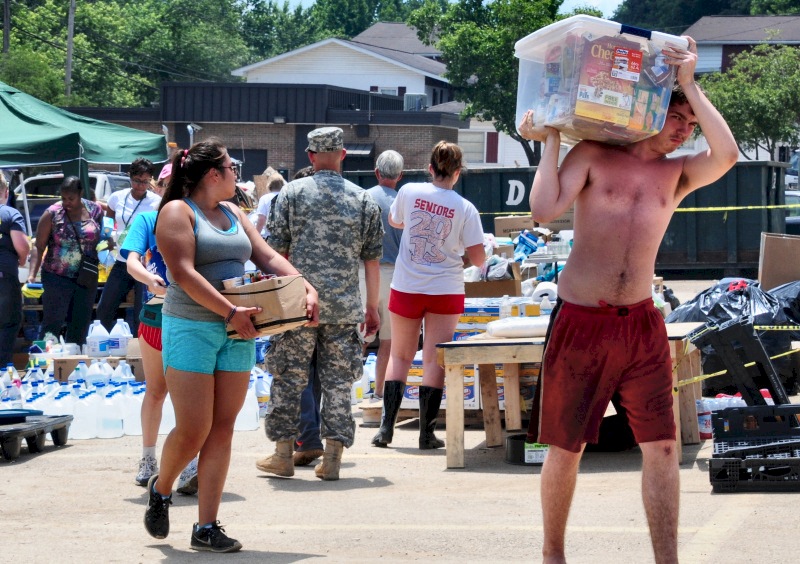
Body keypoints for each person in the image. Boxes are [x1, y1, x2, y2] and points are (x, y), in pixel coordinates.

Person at [516, 37, 738, 563]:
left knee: (663, 446)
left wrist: (689, 84)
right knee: (566, 449)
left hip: (641, 324)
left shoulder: (677, 173)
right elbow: (544, 208)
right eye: (677, 118)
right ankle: (553, 555)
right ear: (649, 109)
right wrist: (549, 138)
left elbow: (726, 153)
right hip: (581, 321)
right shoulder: (593, 154)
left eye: (691, 124)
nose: (686, 130)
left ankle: (668, 561)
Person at [143, 138, 318, 553]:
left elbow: (268, 257)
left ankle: (206, 527)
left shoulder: (235, 212)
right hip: (192, 326)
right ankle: (162, 488)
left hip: (239, 330)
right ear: (211, 174)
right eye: (231, 167)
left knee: (222, 429)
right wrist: (228, 311)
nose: (236, 173)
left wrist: (303, 286)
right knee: (193, 428)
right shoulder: (175, 212)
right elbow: (182, 273)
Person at [256, 127, 383, 481]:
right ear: (343, 155)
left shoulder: (291, 194)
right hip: (344, 309)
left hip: (296, 306)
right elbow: (371, 262)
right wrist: (372, 308)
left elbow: (274, 253)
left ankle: (283, 454)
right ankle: (332, 461)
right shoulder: (362, 199)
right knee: (339, 384)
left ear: (311, 157)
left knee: (288, 379)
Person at [371, 141, 486, 450]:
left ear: (430, 169)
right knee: (435, 359)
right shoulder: (465, 208)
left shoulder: (408, 192)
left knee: (400, 355)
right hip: (445, 289)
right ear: (458, 173)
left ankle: (386, 429)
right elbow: (478, 259)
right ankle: (426, 434)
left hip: (407, 285)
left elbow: (396, 220)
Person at [121, 167, 199, 493]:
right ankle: (148, 458)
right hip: (155, 316)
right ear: (160, 185)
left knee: (190, 396)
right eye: (168, 184)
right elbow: (131, 260)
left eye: (180, 185)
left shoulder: (200, 219)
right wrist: (147, 277)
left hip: (193, 316)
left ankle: (190, 464)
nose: (174, 190)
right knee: (156, 391)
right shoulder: (146, 221)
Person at [28, 176, 104, 346]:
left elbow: (102, 237)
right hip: (57, 277)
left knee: (80, 324)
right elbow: (39, 246)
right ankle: (44, 363)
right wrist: (32, 275)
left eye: (71, 198)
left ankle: (73, 363)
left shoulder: (95, 210)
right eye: (63, 198)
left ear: (81, 194)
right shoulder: (52, 214)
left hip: (86, 277)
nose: (66, 202)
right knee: (52, 324)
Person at [359, 150, 405, 401]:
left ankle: (346, 390)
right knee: (388, 339)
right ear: (400, 175)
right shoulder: (403, 203)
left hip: (364, 273)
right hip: (395, 275)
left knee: (360, 334)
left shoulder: (363, 198)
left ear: (376, 172)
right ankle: (379, 393)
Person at [96, 158, 160, 334]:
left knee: (142, 310)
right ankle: (106, 343)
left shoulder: (156, 201)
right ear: (130, 177)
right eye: (137, 181)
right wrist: (106, 250)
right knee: (105, 307)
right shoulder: (117, 197)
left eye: (146, 182)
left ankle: (140, 351)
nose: (141, 186)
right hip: (121, 260)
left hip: (144, 264)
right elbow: (108, 225)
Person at [0, 175, 30, 366]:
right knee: (8, 322)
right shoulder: (10, 214)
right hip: (4, 277)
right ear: (5, 192)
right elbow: (22, 245)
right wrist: (21, 258)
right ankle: (1, 368)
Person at [254, 174, 285, 240]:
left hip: (270, 237)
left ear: (269, 186)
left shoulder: (265, 198)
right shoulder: (287, 197)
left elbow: (261, 219)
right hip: (286, 237)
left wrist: (256, 237)